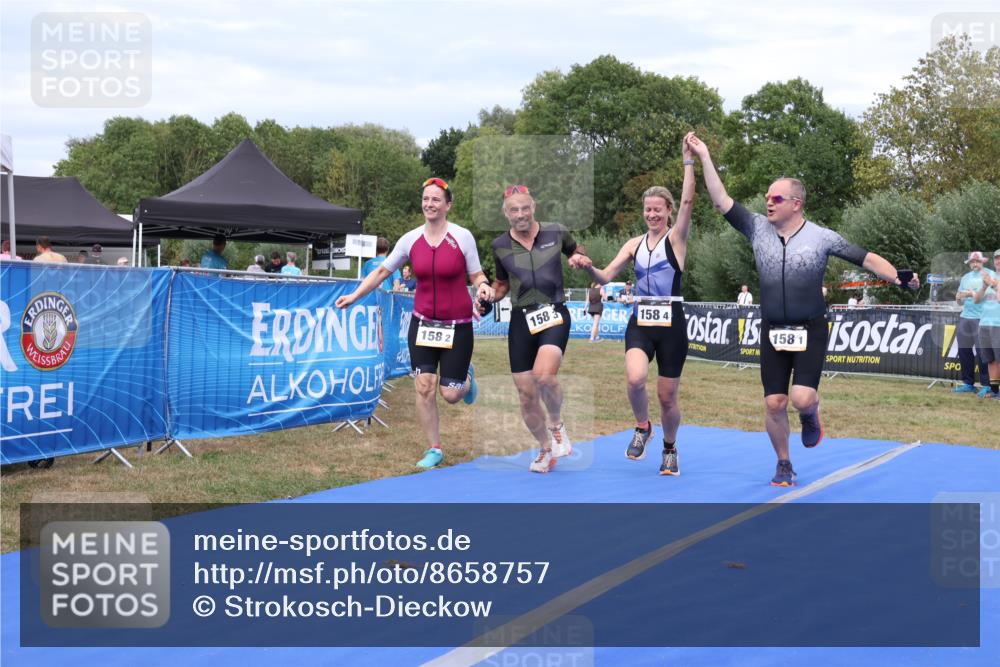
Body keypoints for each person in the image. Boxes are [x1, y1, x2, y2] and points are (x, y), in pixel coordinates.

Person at [687, 132, 920, 487]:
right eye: (767, 197)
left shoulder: (821, 237)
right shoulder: (756, 229)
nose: (768, 203)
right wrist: (703, 155)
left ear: (796, 203)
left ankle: (811, 414)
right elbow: (721, 201)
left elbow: (866, 258)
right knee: (775, 403)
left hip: (810, 327)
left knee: (800, 398)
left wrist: (900, 278)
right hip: (772, 329)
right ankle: (784, 463)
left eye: (776, 198)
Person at [336, 177, 492, 469]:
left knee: (450, 394)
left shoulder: (462, 237)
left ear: (448, 205)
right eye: (425, 199)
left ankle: (466, 380)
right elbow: (382, 272)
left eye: (435, 199)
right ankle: (434, 448)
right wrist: (355, 295)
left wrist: (483, 287)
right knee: (424, 386)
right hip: (423, 324)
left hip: (457, 324)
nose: (429, 204)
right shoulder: (410, 240)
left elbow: (477, 275)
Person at [579, 135, 695, 475]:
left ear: (668, 211)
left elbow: (689, 202)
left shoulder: (677, 239)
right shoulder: (633, 244)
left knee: (667, 398)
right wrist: (588, 266)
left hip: (671, 322)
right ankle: (643, 427)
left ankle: (670, 448)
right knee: (634, 379)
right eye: (648, 209)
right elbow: (606, 277)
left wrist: (688, 162)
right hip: (641, 320)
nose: (652, 214)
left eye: (658, 209)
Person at [483, 184, 589, 473]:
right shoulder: (499, 245)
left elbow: (576, 248)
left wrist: (578, 257)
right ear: (506, 214)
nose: (521, 214)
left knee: (544, 377)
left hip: (554, 311)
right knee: (526, 394)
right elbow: (502, 283)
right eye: (514, 210)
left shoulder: (555, 231)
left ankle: (556, 424)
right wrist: (490, 294)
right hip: (521, 319)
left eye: (525, 208)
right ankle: (545, 449)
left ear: (534, 207)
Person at [954, 251, 993, 397]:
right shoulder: (965, 277)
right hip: (965, 317)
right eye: (972, 262)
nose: (975, 264)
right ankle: (968, 384)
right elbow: (959, 300)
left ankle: (987, 386)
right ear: (969, 263)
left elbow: (990, 297)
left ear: (982, 262)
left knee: (983, 352)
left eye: (977, 261)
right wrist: (958, 298)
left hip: (983, 319)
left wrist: (971, 294)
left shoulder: (990, 275)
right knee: (964, 351)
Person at [973, 249, 1000, 400]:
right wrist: (984, 286)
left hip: (999, 324)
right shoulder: (989, 276)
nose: (998, 261)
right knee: (990, 359)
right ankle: (994, 390)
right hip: (984, 323)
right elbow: (976, 300)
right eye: (996, 258)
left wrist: (994, 286)